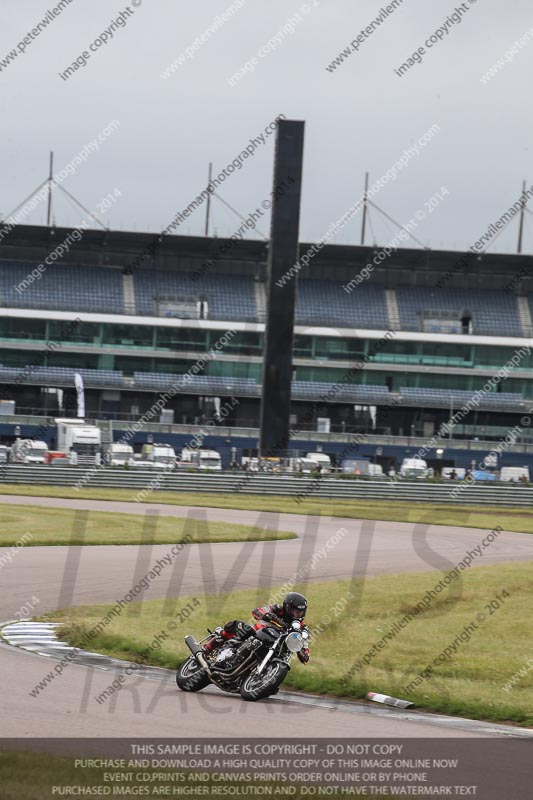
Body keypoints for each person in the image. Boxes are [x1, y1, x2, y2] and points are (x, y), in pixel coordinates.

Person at [203, 591, 310, 664]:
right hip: (257, 634)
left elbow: (304, 646)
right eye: (296, 611)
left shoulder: (302, 627)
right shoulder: (278, 609)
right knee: (237, 625)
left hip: (276, 647)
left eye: (301, 612)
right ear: (287, 607)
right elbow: (257, 610)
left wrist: (304, 654)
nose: (298, 615)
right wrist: (269, 615)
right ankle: (207, 648)